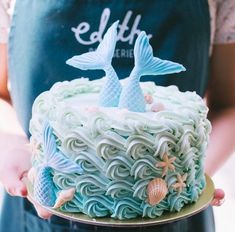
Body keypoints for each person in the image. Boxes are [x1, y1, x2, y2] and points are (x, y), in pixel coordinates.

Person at [0, 0, 234, 231]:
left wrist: (189, 179)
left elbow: (229, 103)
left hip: (173, 212)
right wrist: (13, 146)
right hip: (36, 216)